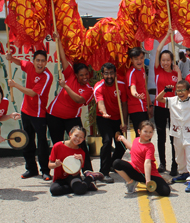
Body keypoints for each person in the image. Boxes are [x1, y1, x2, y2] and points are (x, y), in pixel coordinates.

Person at [46, 37, 94, 172]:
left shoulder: (89, 89)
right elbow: (62, 58)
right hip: (53, 115)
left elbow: (78, 100)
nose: (85, 77)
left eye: (86, 74)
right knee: (57, 144)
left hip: (72, 118)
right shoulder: (70, 75)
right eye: (81, 75)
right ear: (76, 75)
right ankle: (60, 171)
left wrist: (65, 87)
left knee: (81, 143)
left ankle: (88, 171)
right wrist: (59, 41)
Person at [7, 50, 53, 180]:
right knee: (27, 140)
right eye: (37, 60)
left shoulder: (47, 76)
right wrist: (11, 58)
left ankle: (45, 170)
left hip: (39, 114)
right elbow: (20, 62)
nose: (40, 63)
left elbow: (33, 93)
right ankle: (31, 169)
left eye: (42, 61)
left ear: (46, 62)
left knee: (42, 142)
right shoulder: (29, 66)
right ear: (33, 61)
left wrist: (15, 85)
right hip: (25, 111)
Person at [157, 80, 190, 192]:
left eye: (183, 90)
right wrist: (165, 90)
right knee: (179, 155)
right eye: (178, 90)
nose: (180, 92)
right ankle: (183, 173)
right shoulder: (172, 100)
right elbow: (158, 99)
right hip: (177, 133)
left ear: (188, 90)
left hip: (189, 133)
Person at [113, 120, 171, 196]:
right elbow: (132, 148)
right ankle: (131, 182)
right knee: (116, 163)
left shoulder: (150, 147)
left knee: (166, 191)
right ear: (139, 131)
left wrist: (148, 180)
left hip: (149, 174)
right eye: (145, 131)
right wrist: (123, 139)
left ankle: (159, 180)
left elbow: (147, 163)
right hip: (136, 171)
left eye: (150, 132)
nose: (148, 134)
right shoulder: (136, 140)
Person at [93, 63, 128, 183]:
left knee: (122, 144)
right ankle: (104, 172)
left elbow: (124, 105)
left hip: (118, 119)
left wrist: (124, 122)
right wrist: (104, 112)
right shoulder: (98, 87)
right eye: (106, 73)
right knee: (107, 141)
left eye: (111, 73)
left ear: (115, 74)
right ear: (102, 74)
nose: (109, 76)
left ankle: (113, 163)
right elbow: (100, 102)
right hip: (104, 118)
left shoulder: (121, 85)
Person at [153, 29, 182, 174]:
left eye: (168, 60)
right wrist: (167, 34)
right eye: (163, 60)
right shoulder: (158, 70)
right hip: (159, 107)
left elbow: (181, 90)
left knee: (173, 137)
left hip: (173, 108)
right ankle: (162, 164)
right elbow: (158, 49)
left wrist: (180, 73)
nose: (165, 62)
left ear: (172, 61)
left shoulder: (175, 73)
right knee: (161, 137)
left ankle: (175, 164)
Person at [49, 126, 100, 196]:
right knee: (54, 190)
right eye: (76, 136)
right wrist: (55, 164)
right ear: (70, 134)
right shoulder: (57, 146)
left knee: (80, 190)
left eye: (81, 137)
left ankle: (90, 178)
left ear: (84, 139)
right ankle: (85, 186)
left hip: (72, 177)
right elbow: (50, 165)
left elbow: (76, 173)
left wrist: (81, 161)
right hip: (60, 178)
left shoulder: (81, 152)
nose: (78, 139)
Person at [126, 47, 152, 138]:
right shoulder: (131, 72)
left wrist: (150, 105)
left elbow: (144, 88)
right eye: (136, 59)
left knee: (147, 134)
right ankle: (138, 152)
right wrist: (136, 94)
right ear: (132, 60)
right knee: (142, 135)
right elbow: (132, 88)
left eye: (141, 58)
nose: (139, 61)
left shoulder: (142, 70)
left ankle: (145, 152)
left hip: (143, 107)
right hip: (136, 109)